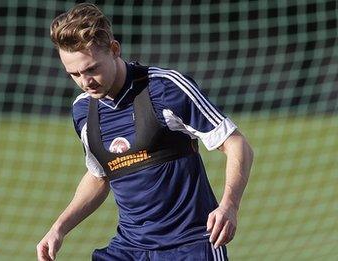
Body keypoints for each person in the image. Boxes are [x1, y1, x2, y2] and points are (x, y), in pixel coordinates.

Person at [37, 3, 253, 261]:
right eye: (74, 74)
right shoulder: (83, 111)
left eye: (92, 68)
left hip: (190, 246)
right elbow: (99, 176)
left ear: (115, 49)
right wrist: (58, 229)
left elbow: (237, 144)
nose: (85, 82)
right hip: (129, 249)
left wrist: (229, 206)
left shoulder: (166, 89)